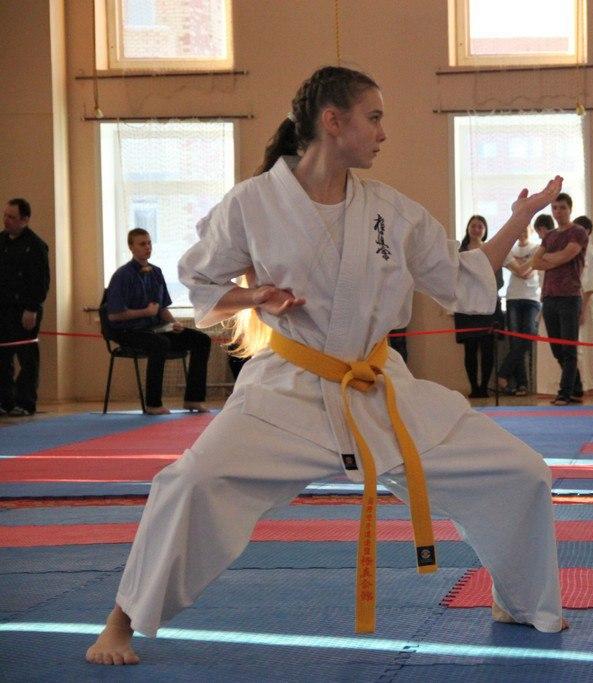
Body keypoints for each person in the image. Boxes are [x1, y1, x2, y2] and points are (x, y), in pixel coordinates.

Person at [86, 65, 566, 666]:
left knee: (521, 472)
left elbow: (462, 278)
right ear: (333, 122)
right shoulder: (254, 203)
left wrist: (519, 219)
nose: (383, 133)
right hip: (289, 389)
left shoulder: (392, 211)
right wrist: (255, 297)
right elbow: (200, 283)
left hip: (379, 387)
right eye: (375, 117)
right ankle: (121, 621)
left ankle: (519, 600)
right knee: (191, 482)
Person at [105, 228, 211, 415]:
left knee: (201, 340)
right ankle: (153, 404)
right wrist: (144, 312)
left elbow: (161, 309)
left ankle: (193, 399)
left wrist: (174, 323)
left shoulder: (156, 272)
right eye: (142, 244)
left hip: (154, 329)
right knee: (160, 343)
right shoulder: (122, 275)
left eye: (149, 243)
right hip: (128, 331)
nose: (147, 247)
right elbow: (114, 315)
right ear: (131, 247)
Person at [530, 193, 588, 406]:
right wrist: (553, 259)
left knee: (568, 347)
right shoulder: (550, 236)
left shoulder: (578, 232)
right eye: (554, 208)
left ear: (570, 209)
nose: (558, 212)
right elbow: (535, 262)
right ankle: (577, 388)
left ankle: (564, 393)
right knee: (556, 348)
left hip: (570, 296)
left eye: (562, 207)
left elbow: (567, 255)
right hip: (549, 296)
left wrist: (549, 258)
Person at [0, 198, 49, 417]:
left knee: (27, 358)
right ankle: (5, 401)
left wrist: (32, 308)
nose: (6, 220)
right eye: (5, 215)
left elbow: (41, 282)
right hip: (3, 308)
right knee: (2, 358)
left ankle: (25, 402)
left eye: (12, 217)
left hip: (25, 310)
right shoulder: (1, 241)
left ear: (25, 219)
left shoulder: (36, 246)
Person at [453, 215, 503, 398]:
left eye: (480, 226)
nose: (476, 229)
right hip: (465, 307)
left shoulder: (491, 251)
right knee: (470, 349)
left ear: (485, 230)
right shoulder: (458, 252)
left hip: (488, 307)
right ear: (468, 228)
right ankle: (474, 388)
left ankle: (484, 388)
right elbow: (454, 278)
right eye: (473, 226)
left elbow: (499, 280)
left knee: (488, 349)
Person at [497, 224, 541, 396]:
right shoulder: (509, 249)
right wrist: (531, 261)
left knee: (527, 337)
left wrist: (522, 263)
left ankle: (503, 373)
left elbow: (527, 273)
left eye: (525, 229)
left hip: (532, 299)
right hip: (513, 298)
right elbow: (522, 271)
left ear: (531, 230)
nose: (522, 232)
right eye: (519, 229)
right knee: (516, 342)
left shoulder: (537, 247)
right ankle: (522, 384)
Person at [574, 216, 593, 394]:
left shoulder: (592, 252)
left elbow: (590, 285)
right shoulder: (574, 251)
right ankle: (579, 384)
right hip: (573, 299)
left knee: (589, 344)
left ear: (587, 231)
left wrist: (582, 310)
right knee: (576, 346)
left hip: (586, 301)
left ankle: (592, 384)